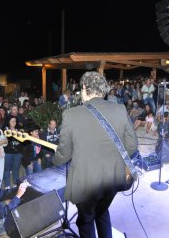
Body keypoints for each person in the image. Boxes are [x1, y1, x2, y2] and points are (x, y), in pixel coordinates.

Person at [53, 71, 138, 238]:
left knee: (85, 220)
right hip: (112, 179)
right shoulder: (120, 109)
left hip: (86, 183)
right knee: (102, 212)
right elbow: (132, 145)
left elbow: (63, 155)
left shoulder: (71, 115)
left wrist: (56, 158)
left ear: (85, 88)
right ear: (103, 90)